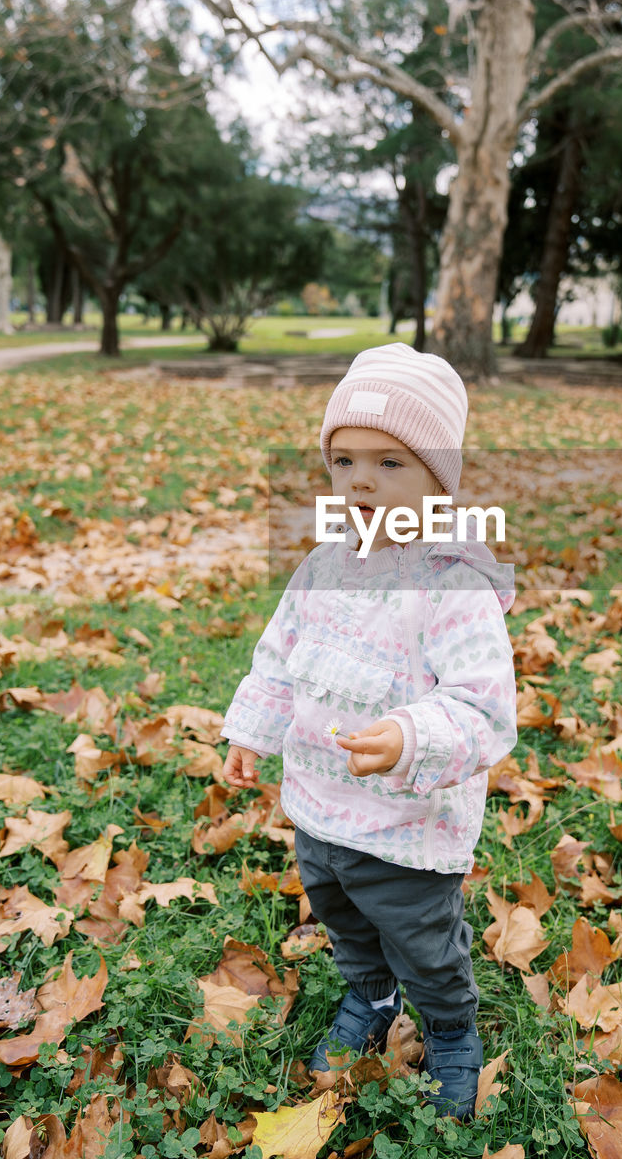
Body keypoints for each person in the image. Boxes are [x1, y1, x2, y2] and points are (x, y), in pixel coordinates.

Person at [221, 343, 517, 1119]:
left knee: (423, 941)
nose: (359, 480)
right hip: (318, 806)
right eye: (343, 459)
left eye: (391, 463)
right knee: (341, 918)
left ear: (438, 480)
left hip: (406, 825)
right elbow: (280, 654)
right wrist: (251, 731)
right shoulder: (323, 563)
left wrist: (412, 736)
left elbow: (483, 704)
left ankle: (449, 1031)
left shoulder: (451, 584)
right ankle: (368, 996)